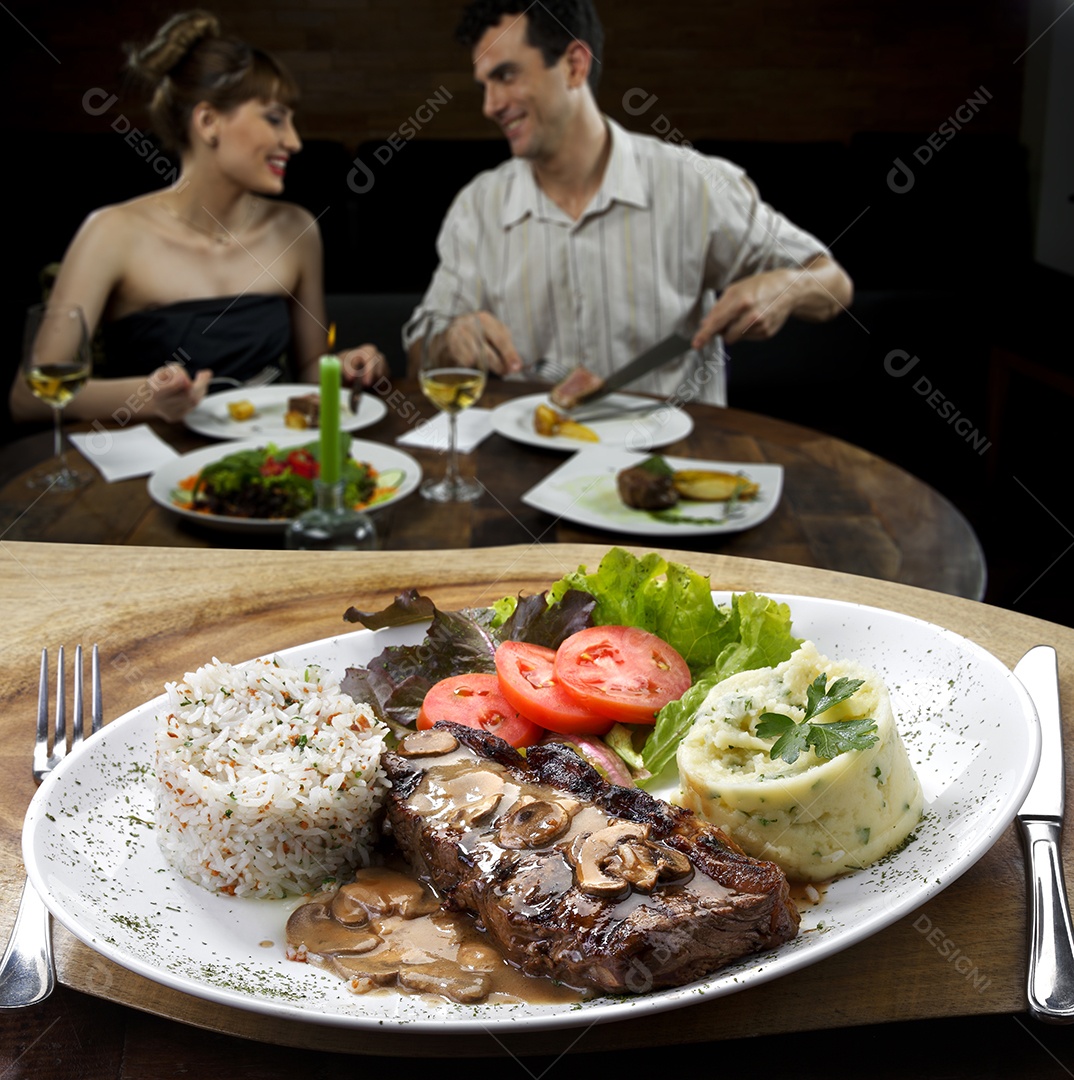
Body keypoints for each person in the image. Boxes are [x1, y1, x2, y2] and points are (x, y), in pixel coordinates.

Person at [404, 0, 853, 405]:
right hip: (525, 470)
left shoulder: (693, 184)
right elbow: (419, 358)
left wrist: (782, 290)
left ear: (575, 65)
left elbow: (834, 282)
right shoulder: (476, 208)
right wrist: (450, 341)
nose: (490, 105)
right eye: (484, 85)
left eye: (505, 76)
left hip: (670, 470)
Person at [10, 10, 386, 425]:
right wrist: (150, 398)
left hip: (273, 456)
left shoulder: (297, 229)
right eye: (275, 118)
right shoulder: (110, 233)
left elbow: (312, 368)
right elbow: (29, 396)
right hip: (155, 466)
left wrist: (347, 366)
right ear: (208, 122)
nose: (294, 142)